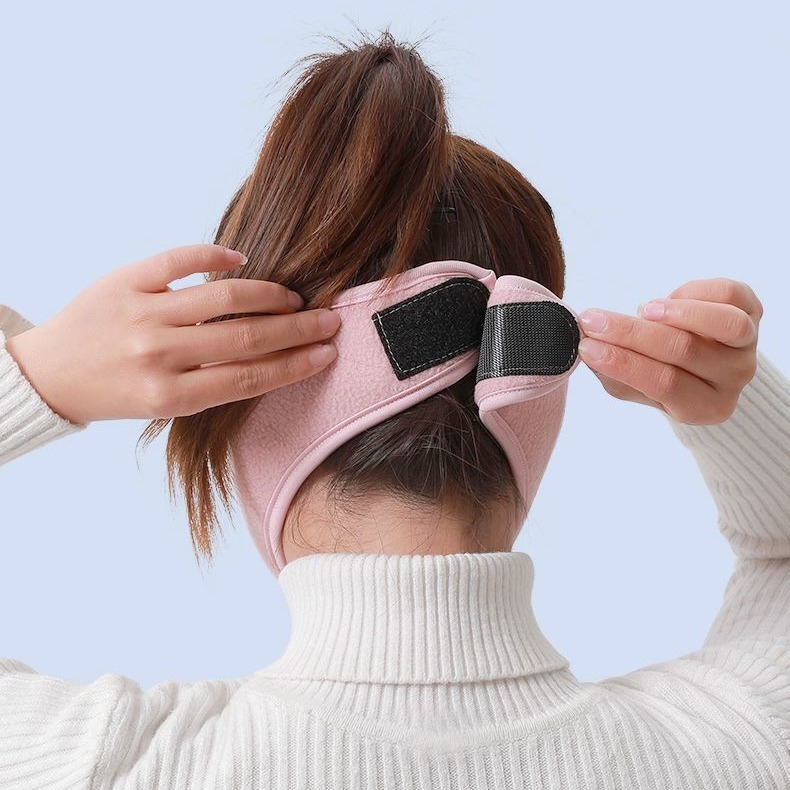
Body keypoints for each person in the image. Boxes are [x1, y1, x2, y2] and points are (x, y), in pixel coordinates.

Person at [1, 29, 788, 790]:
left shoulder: (97, 765)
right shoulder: (739, 743)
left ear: (238, 402)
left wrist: (40, 376)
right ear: (537, 379)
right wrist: (733, 401)